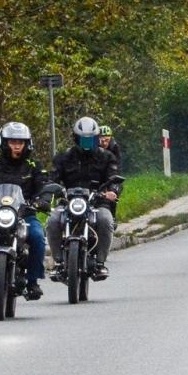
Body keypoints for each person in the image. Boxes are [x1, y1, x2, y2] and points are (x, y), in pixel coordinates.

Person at [0, 122, 48, 301]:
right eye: (13, 141)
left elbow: (43, 186)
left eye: (20, 142)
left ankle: (33, 281)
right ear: (4, 142)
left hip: (24, 215)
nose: (17, 145)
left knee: (37, 236)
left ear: (27, 143)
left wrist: (42, 201)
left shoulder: (34, 166)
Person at [48, 116, 122, 280]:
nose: (87, 143)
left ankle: (101, 262)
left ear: (96, 139)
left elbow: (114, 178)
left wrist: (112, 191)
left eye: (90, 140)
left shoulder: (107, 157)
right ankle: (59, 261)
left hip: (97, 202)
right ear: (76, 138)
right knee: (53, 220)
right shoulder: (63, 157)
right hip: (68, 202)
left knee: (106, 220)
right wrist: (51, 189)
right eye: (83, 140)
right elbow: (52, 177)